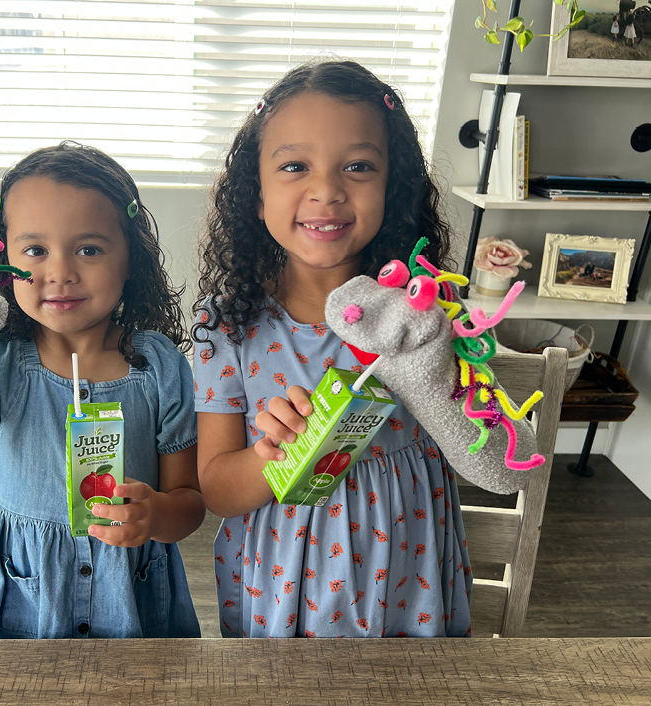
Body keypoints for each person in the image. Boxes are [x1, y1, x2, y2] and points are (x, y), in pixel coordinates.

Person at [192, 59, 532, 638]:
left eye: (358, 166)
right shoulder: (228, 326)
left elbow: (505, 463)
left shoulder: (427, 313)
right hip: (282, 585)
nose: (326, 189)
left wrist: (430, 366)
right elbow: (219, 491)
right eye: (294, 165)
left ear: (392, 186)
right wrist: (269, 454)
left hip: (410, 573)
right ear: (255, 193)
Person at [0, 141, 205, 639]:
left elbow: (190, 503)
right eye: (35, 250)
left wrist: (156, 515)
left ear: (131, 257)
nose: (60, 272)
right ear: (3, 259)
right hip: (15, 599)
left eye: (89, 249)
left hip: (132, 600)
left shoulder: (160, 366)